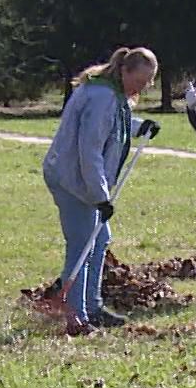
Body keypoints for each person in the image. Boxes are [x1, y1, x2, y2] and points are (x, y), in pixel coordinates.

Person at [41, 46, 160, 333]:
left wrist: (140, 126)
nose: (142, 88)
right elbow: (90, 151)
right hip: (73, 180)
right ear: (124, 71)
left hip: (81, 179)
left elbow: (113, 125)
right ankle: (75, 316)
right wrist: (100, 196)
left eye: (148, 83)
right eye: (140, 81)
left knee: (100, 237)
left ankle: (92, 307)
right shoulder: (102, 97)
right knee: (83, 244)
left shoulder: (111, 94)